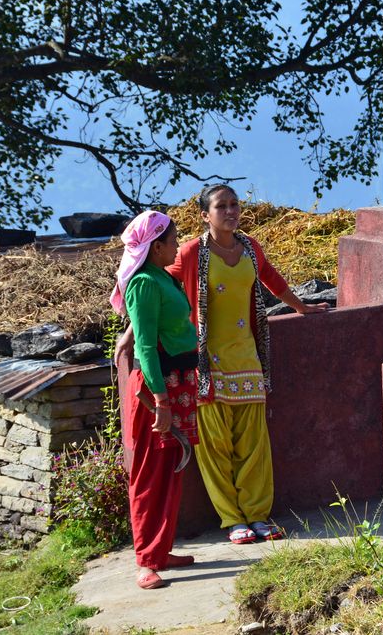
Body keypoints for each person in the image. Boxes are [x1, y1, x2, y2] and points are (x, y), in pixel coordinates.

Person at [168, 184, 329, 544]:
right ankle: (232, 519)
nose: (230, 211)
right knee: (214, 446)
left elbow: (272, 279)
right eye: (221, 206)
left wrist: (301, 307)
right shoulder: (193, 252)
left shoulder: (250, 248)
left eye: (234, 204)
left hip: (247, 359)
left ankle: (257, 515)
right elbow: (161, 283)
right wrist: (137, 330)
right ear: (204, 215)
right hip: (207, 364)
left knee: (254, 445)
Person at [108, 210, 198, 589]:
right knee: (149, 473)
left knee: (171, 466)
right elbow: (145, 345)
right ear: (156, 246)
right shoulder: (144, 282)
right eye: (173, 240)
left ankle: (161, 550)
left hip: (176, 383)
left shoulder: (160, 277)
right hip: (155, 390)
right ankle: (146, 561)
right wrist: (161, 400)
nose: (177, 245)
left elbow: (146, 324)